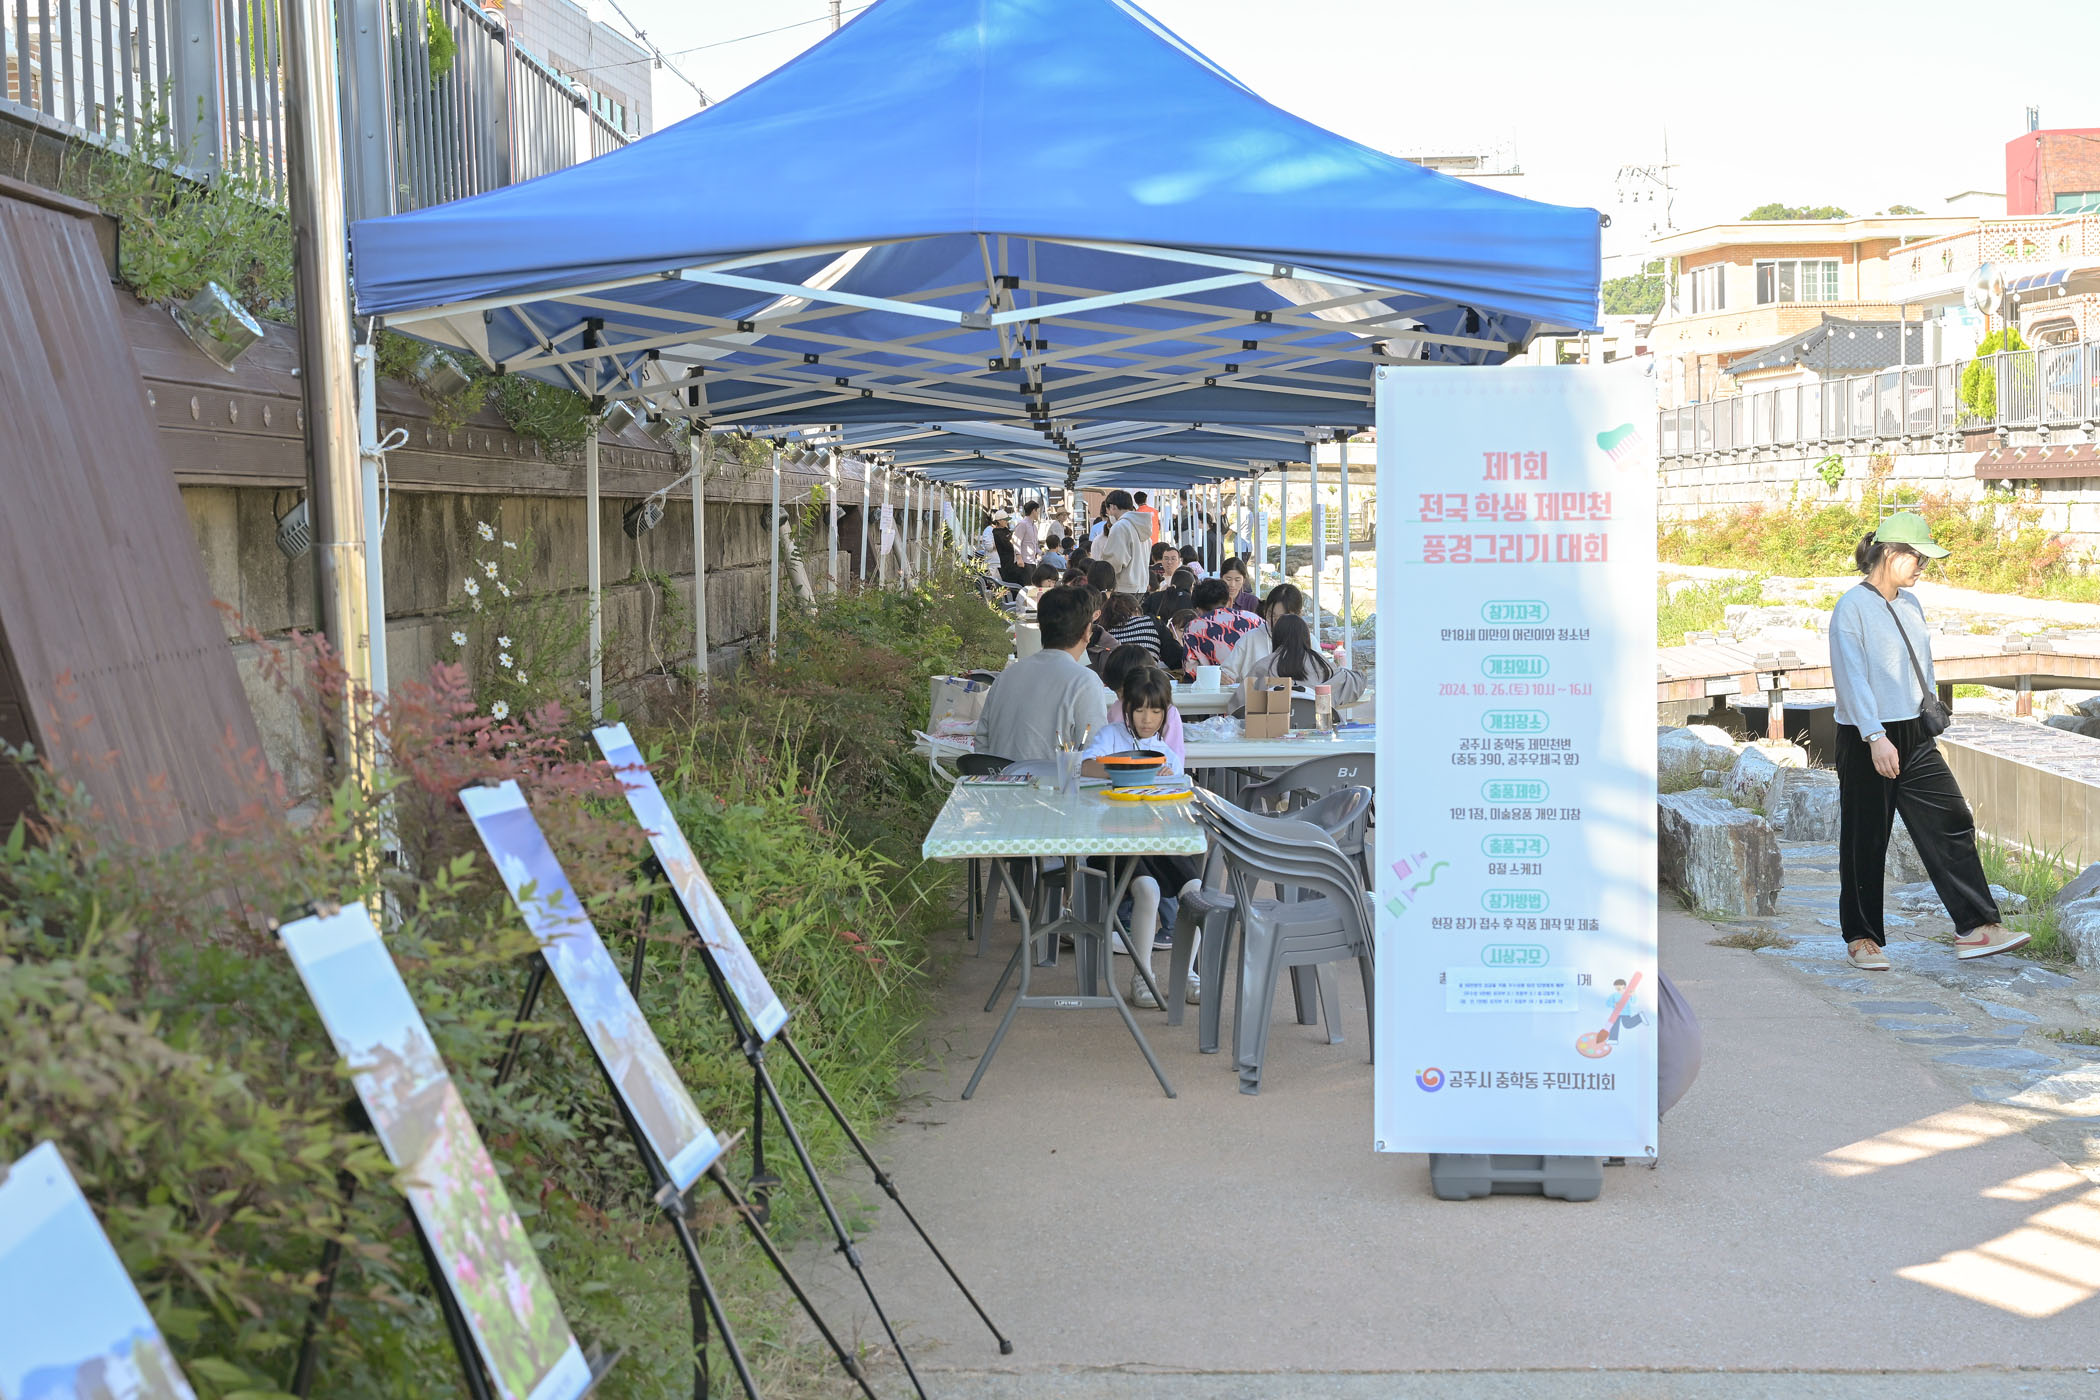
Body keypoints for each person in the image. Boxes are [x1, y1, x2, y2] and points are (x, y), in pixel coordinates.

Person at [1830, 513, 2020, 969]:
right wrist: (1875, 736)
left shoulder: (1911, 604)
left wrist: (1925, 719)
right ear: (1891, 554)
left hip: (1914, 734)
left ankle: (1975, 928)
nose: (1922, 568)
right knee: (1865, 839)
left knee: (1952, 818)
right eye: (1918, 558)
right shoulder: (1850, 608)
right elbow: (1851, 678)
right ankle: (1861, 939)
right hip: (1867, 736)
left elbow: (1923, 667)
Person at [1080, 665, 1201, 1007]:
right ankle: (1142, 974)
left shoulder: (1167, 754)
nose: (1147, 719)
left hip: (1158, 838)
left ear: (1166, 713)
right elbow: (1085, 766)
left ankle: (1188, 972)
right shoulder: (1111, 736)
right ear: (1127, 708)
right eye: (1140, 710)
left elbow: (1180, 800)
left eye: (1156, 711)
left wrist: (1167, 778)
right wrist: (1131, 769)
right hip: (1114, 838)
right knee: (1147, 890)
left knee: (1194, 889)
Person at [975, 586, 1110, 761]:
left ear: (1041, 627)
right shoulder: (1085, 681)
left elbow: (982, 742)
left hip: (999, 776)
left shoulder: (1007, 675)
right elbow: (1095, 753)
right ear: (1086, 631)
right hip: (1053, 778)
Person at [1235, 614, 1366, 711]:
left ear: (1276, 637)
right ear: (1306, 636)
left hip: (1273, 731)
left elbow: (1238, 706)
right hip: (1317, 727)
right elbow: (1352, 680)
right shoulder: (1322, 664)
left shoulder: (1263, 666)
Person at [1224, 582, 1303, 682]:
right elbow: (1227, 673)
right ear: (1265, 611)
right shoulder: (1250, 639)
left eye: (1284, 617)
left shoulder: (1307, 640)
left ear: (1299, 615)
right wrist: (1222, 677)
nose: (1276, 622)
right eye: (1271, 615)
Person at [1183, 577, 1266, 670]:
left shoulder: (1192, 628)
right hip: (1258, 678)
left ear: (1198, 610)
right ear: (1230, 601)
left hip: (1214, 679)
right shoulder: (1255, 620)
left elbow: (1191, 670)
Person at [1103, 591, 1186, 670]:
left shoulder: (1103, 631)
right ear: (1137, 610)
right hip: (1147, 677)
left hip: (1113, 678)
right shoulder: (1151, 622)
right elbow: (1177, 659)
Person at [1097, 490, 1150, 599]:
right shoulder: (1142, 525)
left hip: (1124, 587)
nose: (1109, 514)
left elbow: (1115, 560)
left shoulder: (1120, 526)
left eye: (1108, 510)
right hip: (1141, 585)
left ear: (1113, 506)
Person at [990, 519, 1027, 586]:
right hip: (1003, 564)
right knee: (1010, 584)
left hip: (1012, 562)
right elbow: (990, 546)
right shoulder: (995, 533)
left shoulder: (1006, 530)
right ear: (999, 521)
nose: (1007, 521)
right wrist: (1012, 543)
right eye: (1005, 520)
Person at [1014, 499, 1043, 566]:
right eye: (1037, 511)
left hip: (1033, 561)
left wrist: (1039, 553)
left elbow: (1035, 543)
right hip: (1024, 561)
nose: (1038, 514)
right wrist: (1019, 558)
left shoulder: (1034, 526)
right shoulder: (1022, 524)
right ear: (1034, 511)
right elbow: (1016, 542)